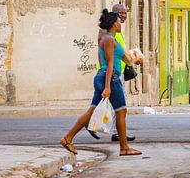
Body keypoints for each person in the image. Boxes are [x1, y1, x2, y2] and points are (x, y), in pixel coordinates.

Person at [60, 10, 142, 157]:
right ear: (113, 24)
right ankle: (124, 148)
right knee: (121, 111)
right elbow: (110, 64)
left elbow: (110, 59)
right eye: (118, 20)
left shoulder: (107, 39)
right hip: (110, 78)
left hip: (102, 76)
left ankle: (68, 138)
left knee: (91, 111)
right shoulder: (109, 40)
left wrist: (135, 58)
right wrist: (108, 86)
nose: (120, 23)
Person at [88, 3, 135, 143]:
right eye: (121, 14)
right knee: (120, 108)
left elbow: (120, 52)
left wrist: (131, 58)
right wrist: (107, 83)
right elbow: (107, 58)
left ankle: (72, 134)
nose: (123, 16)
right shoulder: (107, 34)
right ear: (114, 16)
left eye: (125, 13)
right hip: (110, 73)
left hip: (114, 72)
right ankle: (122, 141)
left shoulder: (116, 33)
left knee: (97, 105)